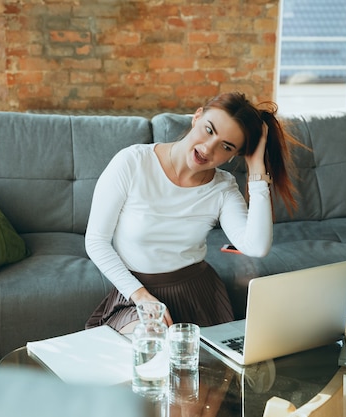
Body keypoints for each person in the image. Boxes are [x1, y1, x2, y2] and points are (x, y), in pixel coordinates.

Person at [85, 91, 299, 333]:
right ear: (197, 116)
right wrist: (142, 297)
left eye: (226, 146)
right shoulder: (132, 163)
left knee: (204, 368)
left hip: (198, 295)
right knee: (151, 345)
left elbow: (256, 247)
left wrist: (257, 167)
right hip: (135, 292)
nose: (208, 149)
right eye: (209, 130)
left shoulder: (222, 188)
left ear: (234, 156)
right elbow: (96, 241)